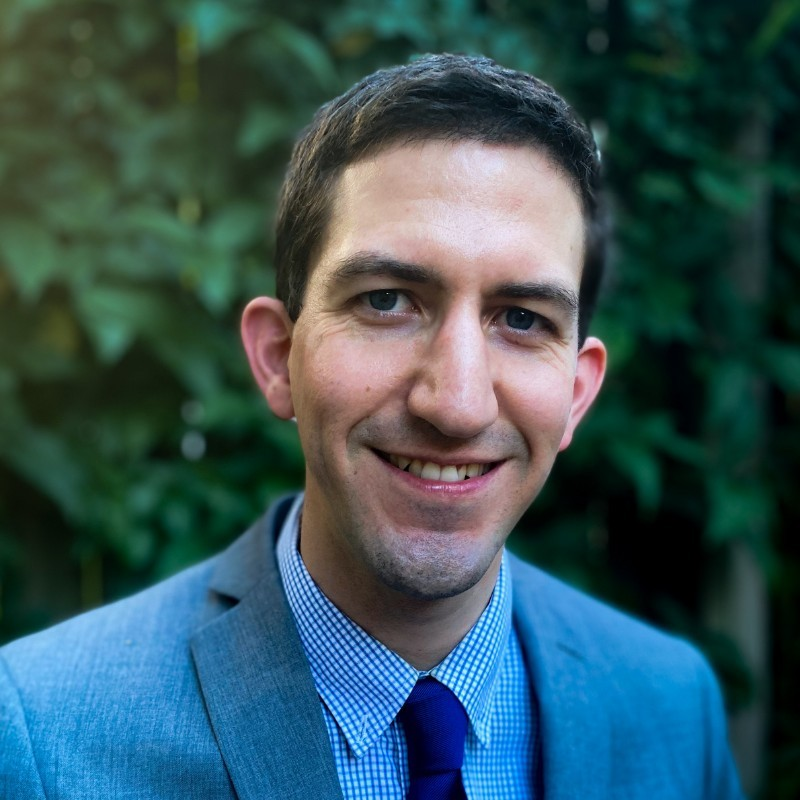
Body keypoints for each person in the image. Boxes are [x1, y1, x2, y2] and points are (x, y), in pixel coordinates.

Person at [0, 54, 744, 799]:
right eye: (387, 301)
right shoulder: (43, 731)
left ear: (577, 395)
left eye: (522, 319)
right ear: (278, 358)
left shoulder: (675, 710)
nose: (456, 403)